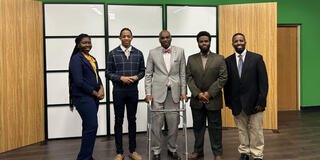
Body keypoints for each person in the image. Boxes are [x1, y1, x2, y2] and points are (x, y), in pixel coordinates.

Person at [224, 33, 268, 160]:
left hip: (256, 103)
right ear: (232, 44)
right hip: (237, 103)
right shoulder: (228, 61)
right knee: (242, 130)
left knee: (256, 130)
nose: (239, 43)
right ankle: (244, 152)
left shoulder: (257, 58)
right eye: (236, 41)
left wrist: (262, 101)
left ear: (245, 42)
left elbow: (263, 82)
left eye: (241, 40)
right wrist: (228, 102)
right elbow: (227, 84)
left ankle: (257, 154)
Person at [145, 30, 188, 160]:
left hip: (173, 94)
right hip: (157, 94)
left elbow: (182, 74)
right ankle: (156, 151)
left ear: (171, 38)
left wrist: (183, 92)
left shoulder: (180, 51)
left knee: (174, 124)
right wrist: (148, 93)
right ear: (159, 39)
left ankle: (172, 149)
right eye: (162, 38)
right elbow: (148, 75)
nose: (165, 40)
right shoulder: (153, 53)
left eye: (167, 37)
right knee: (156, 125)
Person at [186, 31, 227, 160]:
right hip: (197, 100)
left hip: (213, 99)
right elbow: (188, 77)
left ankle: (218, 153)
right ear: (198, 43)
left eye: (206, 41)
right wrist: (198, 94)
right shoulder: (191, 59)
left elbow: (223, 77)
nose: (204, 43)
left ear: (210, 42)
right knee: (198, 128)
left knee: (215, 128)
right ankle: (198, 151)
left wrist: (209, 93)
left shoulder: (219, 58)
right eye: (201, 41)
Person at [106, 28, 145, 160]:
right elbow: (108, 73)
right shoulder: (113, 53)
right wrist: (120, 78)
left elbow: (142, 71)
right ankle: (119, 152)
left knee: (132, 120)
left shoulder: (138, 53)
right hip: (118, 90)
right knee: (118, 120)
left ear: (132, 38)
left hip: (133, 91)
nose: (126, 38)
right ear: (120, 38)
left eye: (129, 36)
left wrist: (136, 77)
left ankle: (132, 151)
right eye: (124, 36)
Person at [69, 33, 104, 160]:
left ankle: (86, 157)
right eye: (84, 43)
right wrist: (95, 93)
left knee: (88, 127)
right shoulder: (76, 59)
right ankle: (84, 158)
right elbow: (79, 82)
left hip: (93, 97)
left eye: (89, 42)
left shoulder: (91, 58)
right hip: (83, 97)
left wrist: (101, 88)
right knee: (92, 126)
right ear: (78, 45)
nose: (87, 45)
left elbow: (96, 76)